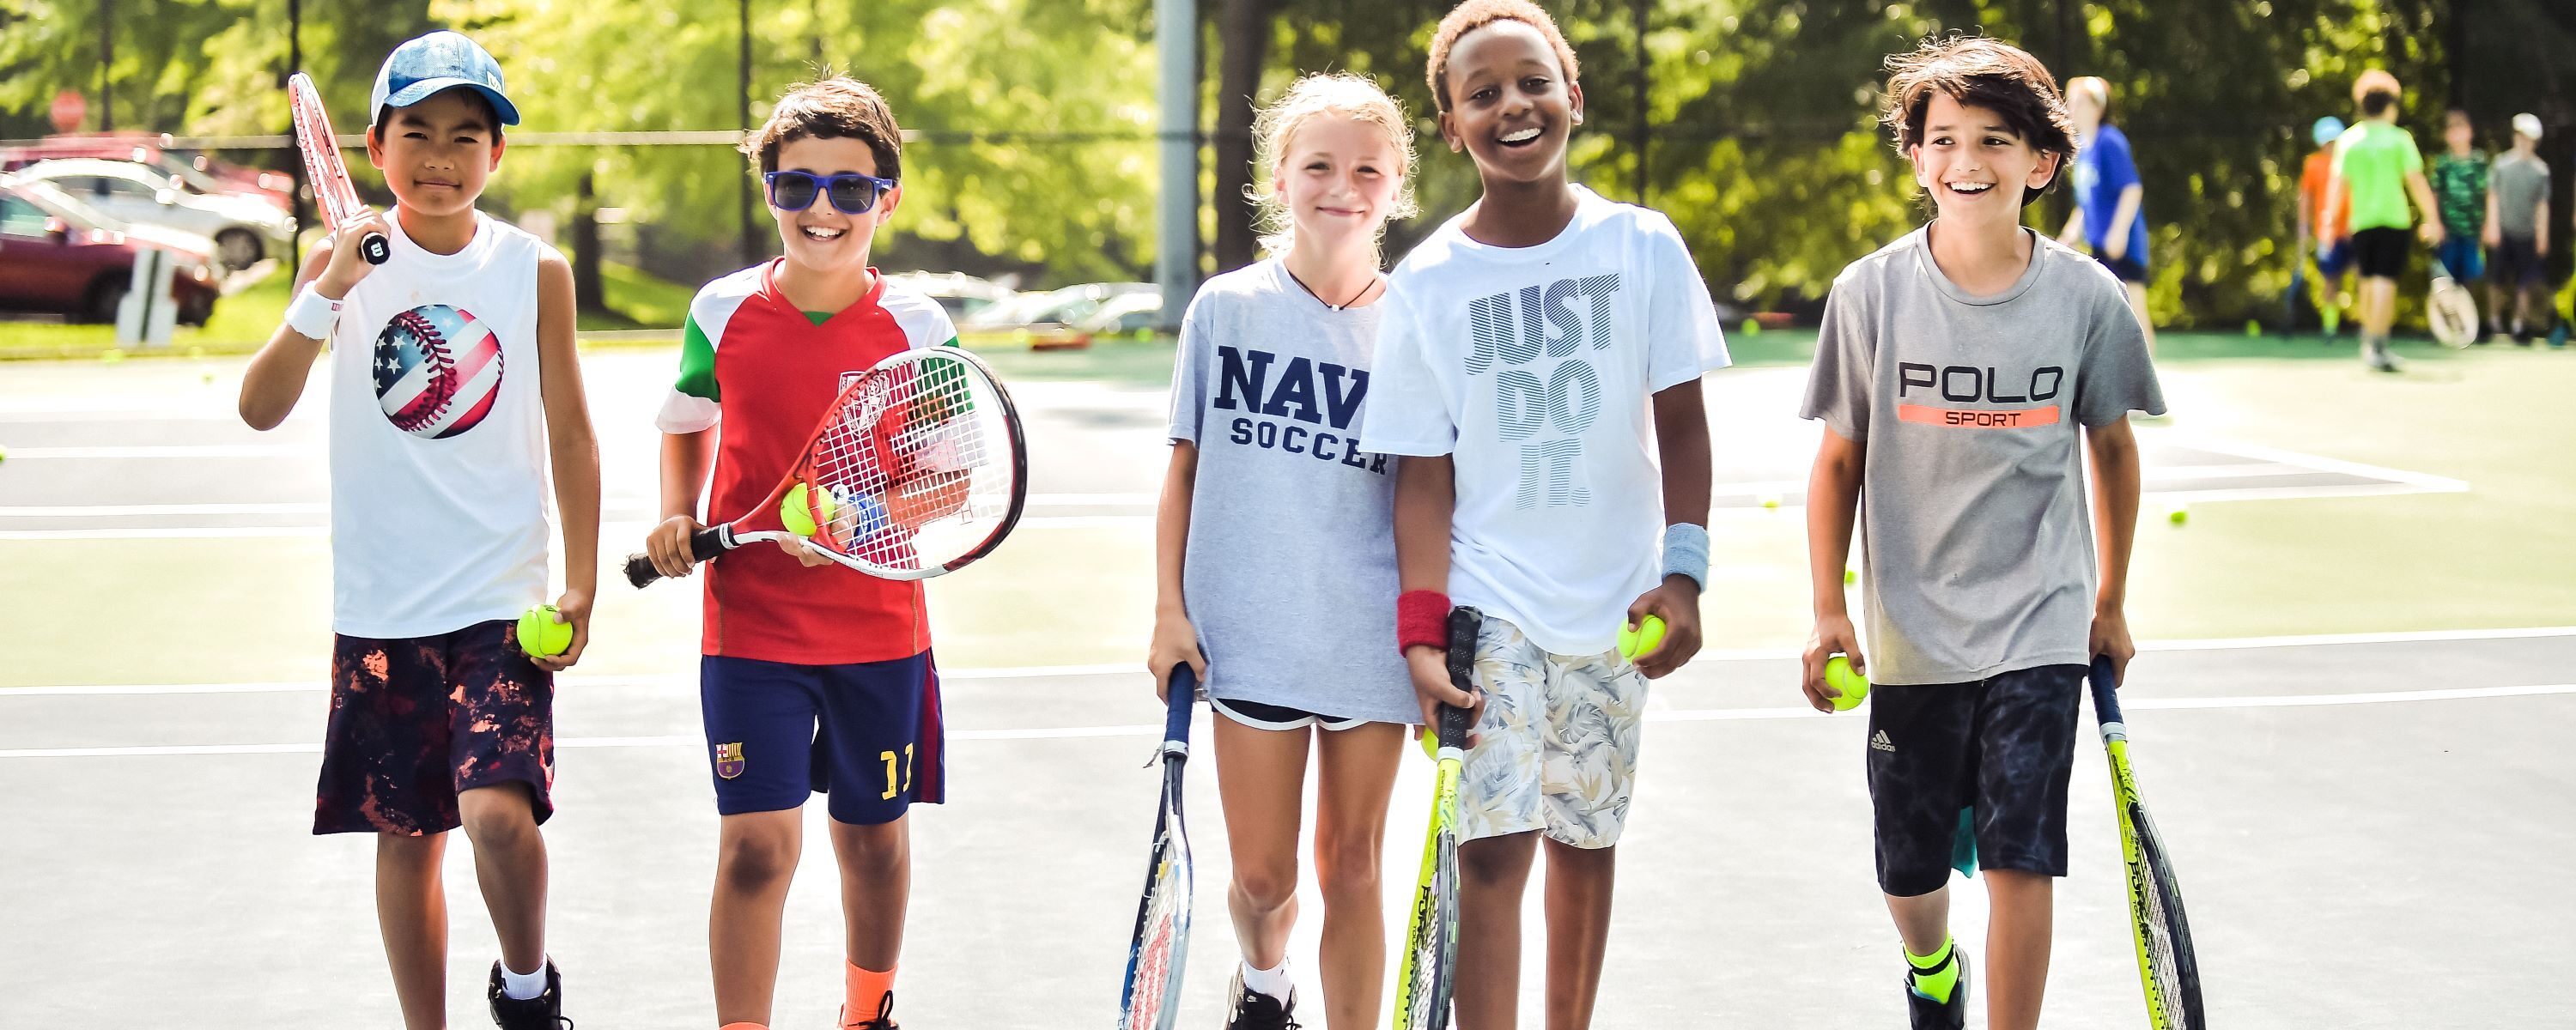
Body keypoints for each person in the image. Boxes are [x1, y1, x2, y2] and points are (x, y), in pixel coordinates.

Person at [1359, 3, 1727, 1026]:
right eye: (1482, 94)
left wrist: (1685, 573)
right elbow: (1423, 476)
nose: (1512, 105)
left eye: (1532, 82)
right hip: (1493, 605)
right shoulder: (1429, 282)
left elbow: (1684, 425)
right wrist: (1423, 629)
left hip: (1615, 608)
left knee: (1586, 844)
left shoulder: (1640, 246)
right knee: (1493, 855)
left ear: (1573, 95)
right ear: (1451, 128)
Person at [237, 29, 598, 1030]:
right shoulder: (340, 265)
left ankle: (526, 991)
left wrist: (579, 586)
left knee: (494, 812)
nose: (440, 156)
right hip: (385, 607)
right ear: (374, 144)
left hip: (502, 603)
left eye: (465, 135)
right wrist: (329, 289)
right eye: (418, 132)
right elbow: (260, 407)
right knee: (410, 840)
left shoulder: (537, 270)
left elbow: (571, 432)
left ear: (497, 155)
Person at [1798, 36, 2161, 1030]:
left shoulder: (2087, 299)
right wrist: (1830, 610)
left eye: (1995, 140)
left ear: (2040, 162)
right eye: (1945, 138)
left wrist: (2110, 601)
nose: (1969, 160)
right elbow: (1836, 464)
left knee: (2021, 856)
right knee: (1909, 869)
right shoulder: (1868, 295)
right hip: (1912, 633)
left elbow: (2115, 451)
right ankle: (1931, 969)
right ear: (1916, 157)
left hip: (2038, 624)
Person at [643, 76, 960, 1030]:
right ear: (771, 191)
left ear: (887, 200)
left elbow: (947, 482)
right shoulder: (721, 311)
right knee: (756, 848)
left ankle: (867, 1012)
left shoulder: (920, 329)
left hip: (878, 632)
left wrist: (863, 521)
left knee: (871, 843)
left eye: (851, 191)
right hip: (751, 630)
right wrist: (675, 510)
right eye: (798, 187)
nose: (823, 210)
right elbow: (689, 422)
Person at [1148, 71, 1424, 1030]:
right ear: (1278, 177)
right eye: (1318, 164)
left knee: (1352, 867)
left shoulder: (1418, 325)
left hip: (1369, 638)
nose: (1341, 185)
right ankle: (1264, 980)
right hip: (1249, 627)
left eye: (1366, 168)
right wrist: (1169, 613)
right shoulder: (1224, 310)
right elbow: (1183, 469)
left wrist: (1434, 637)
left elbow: (1435, 501)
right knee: (1263, 881)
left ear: (1396, 187)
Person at [2322, 70, 2445, 372]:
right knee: (2384, 282)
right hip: (2394, 221)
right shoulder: (2399, 139)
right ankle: (2378, 344)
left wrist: (2327, 221)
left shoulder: (2349, 140)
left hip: (2361, 224)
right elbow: (2416, 182)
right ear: (2390, 105)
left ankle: (2370, 343)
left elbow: (2337, 185)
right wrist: (2432, 218)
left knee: (2367, 281)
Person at [2059, 76, 2155, 353]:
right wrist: (2070, 233)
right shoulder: (2084, 147)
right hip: (2100, 244)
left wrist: (2119, 231)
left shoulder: (2110, 141)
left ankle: (2146, 382)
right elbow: (2087, 202)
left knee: (2135, 309)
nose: (2072, 108)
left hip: (2123, 245)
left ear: (2097, 107)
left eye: (2079, 102)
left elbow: (2131, 189)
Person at [2486, 112, 2554, 343]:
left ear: (2535, 141)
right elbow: (2492, 196)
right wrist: (2492, 225)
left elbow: (2542, 205)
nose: (2524, 141)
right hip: (2503, 231)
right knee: (2496, 279)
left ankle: (2518, 324)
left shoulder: (2541, 171)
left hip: (2527, 235)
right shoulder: (2501, 165)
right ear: (2515, 137)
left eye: (2529, 138)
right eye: (2520, 136)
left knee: (2525, 282)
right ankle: (2494, 322)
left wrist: (2542, 234)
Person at [2427, 108, 2490, 331]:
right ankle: (2447, 324)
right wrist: (2436, 224)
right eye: (2451, 130)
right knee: (2445, 279)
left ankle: (2468, 324)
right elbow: (2434, 195)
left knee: (2471, 276)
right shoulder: (2443, 164)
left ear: (2470, 132)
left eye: (2460, 129)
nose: (2456, 134)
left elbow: (2488, 194)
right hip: (2449, 232)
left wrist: (2488, 224)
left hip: (2472, 231)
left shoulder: (2479, 162)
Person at [2297, 115, 2355, 336]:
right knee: (2331, 279)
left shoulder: (2351, 160)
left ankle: (2367, 325)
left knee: (2362, 275)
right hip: (2327, 233)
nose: (2331, 145)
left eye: (2335, 140)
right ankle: (2330, 327)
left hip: (2354, 229)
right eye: (2327, 141)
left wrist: (2354, 222)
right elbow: (2305, 197)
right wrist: (2304, 226)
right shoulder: (2313, 164)